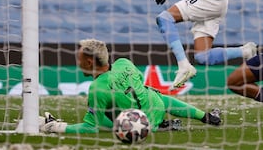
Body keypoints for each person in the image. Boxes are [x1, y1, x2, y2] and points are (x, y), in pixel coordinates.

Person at [39, 38, 222, 134]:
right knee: (155, 95)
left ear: (88, 62)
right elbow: (137, 83)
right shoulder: (124, 62)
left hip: (136, 124)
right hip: (154, 107)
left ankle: (54, 123)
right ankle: (207, 117)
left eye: (79, 59)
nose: (77, 62)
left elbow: (90, 128)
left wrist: (56, 128)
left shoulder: (97, 88)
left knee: (99, 116)